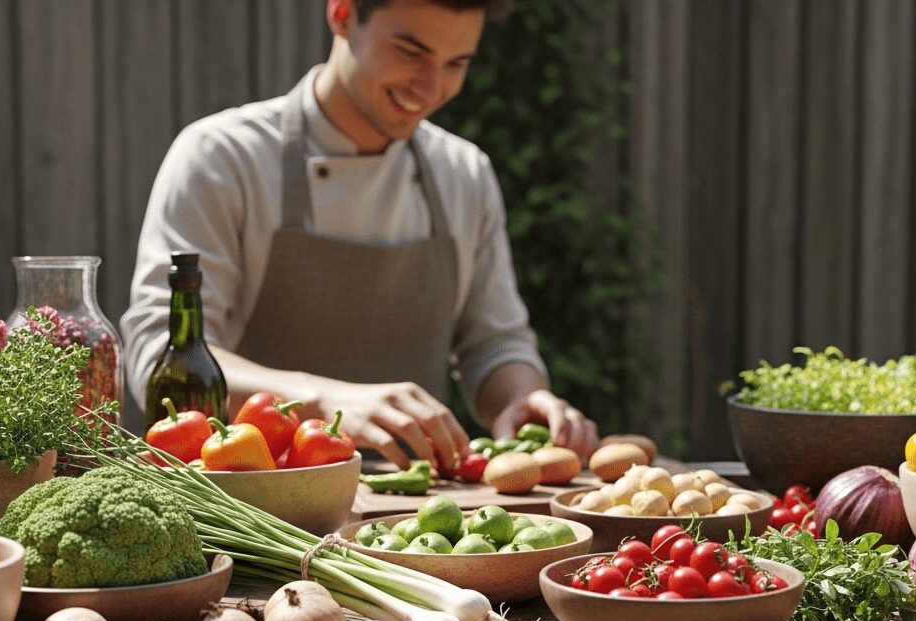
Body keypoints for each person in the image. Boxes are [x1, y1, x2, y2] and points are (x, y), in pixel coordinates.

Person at [121, 0, 598, 474]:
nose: (432, 88)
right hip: (258, 514)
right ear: (343, 14)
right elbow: (158, 355)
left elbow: (494, 341)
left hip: (419, 520)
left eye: (456, 64)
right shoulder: (222, 159)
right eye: (411, 52)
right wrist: (321, 401)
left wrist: (522, 397)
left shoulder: (464, 174)